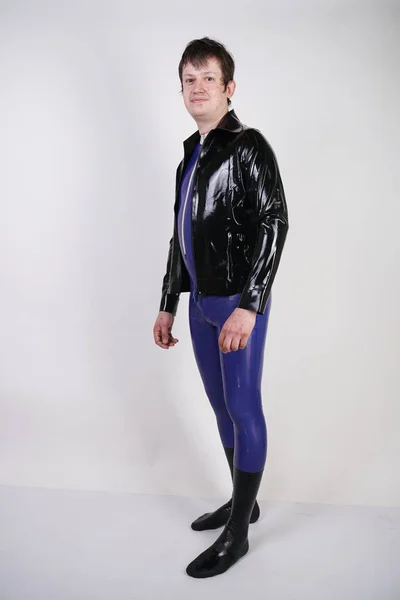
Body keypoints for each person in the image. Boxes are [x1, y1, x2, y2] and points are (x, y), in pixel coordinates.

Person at [153, 37, 289, 578]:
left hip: (237, 302)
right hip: (200, 305)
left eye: (208, 78)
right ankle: (242, 503)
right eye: (189, 80)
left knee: (243, 405)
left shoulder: (249, 145)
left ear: (229, 88)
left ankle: (239, 535)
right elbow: (179, 235)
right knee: (218, 404)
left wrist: (250, 305)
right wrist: (168, 302)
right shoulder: (190, 153)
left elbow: (275, 222)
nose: (198, 88)